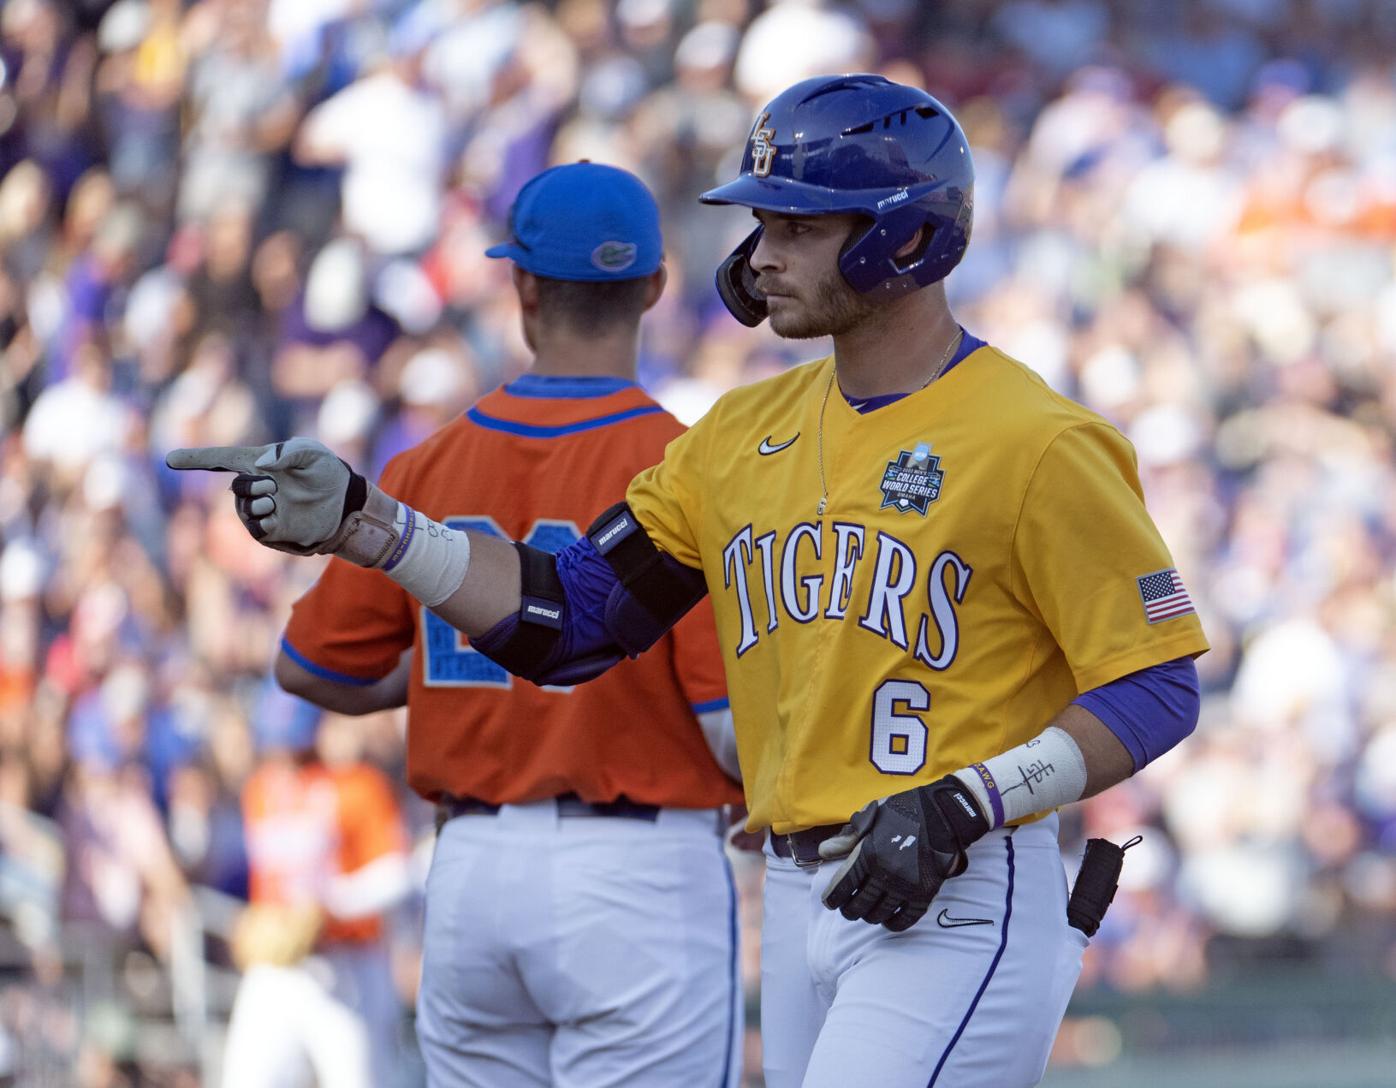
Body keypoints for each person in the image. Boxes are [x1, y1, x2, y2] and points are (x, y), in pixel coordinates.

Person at [169, 75, 1209, 1088]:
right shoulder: (738, 434)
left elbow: (1156, 683)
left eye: (798, 226)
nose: (763, 254)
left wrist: (974, 797)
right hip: (804, 891)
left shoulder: (1037, 440)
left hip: (957, 887)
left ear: (903, 235)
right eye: (763, 223)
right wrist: (372, 524)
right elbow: (569, 621)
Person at [267, 162, 746, 1087]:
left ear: (521, 283)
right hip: (638, 873)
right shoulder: (688, 466)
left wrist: (454, 654)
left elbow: (309, 667)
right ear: (653, 285)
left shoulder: (427, 465)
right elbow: (730, 731)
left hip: (475, 869)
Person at [223, 683, 410, 1088]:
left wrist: (334, 902)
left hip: (347, 964)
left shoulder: (357, 785)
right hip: (277, 970)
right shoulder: (260, 790)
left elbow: (397, 873)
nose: (282, 756)